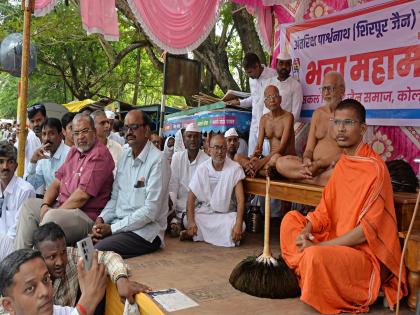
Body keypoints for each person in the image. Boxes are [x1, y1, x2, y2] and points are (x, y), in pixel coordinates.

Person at [280, 99, 407, 314]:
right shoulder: (344, 163)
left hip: (360, 256)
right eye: (336, 122)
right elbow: (324, 211)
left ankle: (309, 268)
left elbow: (366, 233)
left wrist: (320, 247)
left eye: (348, 122)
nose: (340, 128)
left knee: (314, 256)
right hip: (332, 242)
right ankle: (312, 268)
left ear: (363, 128)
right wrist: (306, 230)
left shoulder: (375, 169)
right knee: (290, 220)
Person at [15, 113, 114, 249]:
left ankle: (36, 265)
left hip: (84, 216)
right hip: (62, 207)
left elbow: (81, 197)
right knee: (29, 206)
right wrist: (45, 204)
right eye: (76, 133)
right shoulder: (74, 151)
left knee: (51, 220)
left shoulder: (99, 154)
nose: (80, 137)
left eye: (85, 131)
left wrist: (54, 211)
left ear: (94, 132)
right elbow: (56, 183)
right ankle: (20, 261)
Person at [91, 110, 170, 258]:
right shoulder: (124, 156)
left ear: (146, 130)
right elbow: (115, 198)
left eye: (133, 127)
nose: (128, 132)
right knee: (86, 244)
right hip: (120, 225)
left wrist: (112, 228)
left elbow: (150, 212)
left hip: (145, 232)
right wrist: (101, 219)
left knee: (97, 252)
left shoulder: (158, 161)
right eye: (125, 128)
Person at [33, 223, 150, 309]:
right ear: (38, 256)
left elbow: (108, 257)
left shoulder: (70, 255)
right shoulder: (30, 283)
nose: (60, 261)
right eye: (52, 257)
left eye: (62, 252)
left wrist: (121, 279)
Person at [275, 71, 345, 185]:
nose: (326, 93)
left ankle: (308, 179)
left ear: (341, 90)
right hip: (312, 167)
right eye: (323, 89)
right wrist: (307, 160)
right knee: (280, 163)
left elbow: (348, 153)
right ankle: (316, 179)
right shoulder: (317, 114)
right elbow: (309, 149)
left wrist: (321, 164)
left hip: (331, 166)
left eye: (330, 88)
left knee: (341, 171)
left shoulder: (347, 115)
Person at [0, 248, 107, 315]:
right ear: (9, 305)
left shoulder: (58, 311)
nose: (45, 292)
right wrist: (87, 303)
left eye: (46, 279)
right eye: (30, 288)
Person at [184, 134, 245, 247]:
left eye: (222, 148)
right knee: (187, 220)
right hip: (205, 213)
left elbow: (241, 200)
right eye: (216, 147)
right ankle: (197, 232)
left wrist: (238, 224)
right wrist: (191, 222)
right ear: (209, 150)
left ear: (226, 149)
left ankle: (196, 235)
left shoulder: (235, 168)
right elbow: (191, 197)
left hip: (225, 214)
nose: (220, 151)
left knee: (240, 225)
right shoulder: (202, 168)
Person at [226, 53, 277, 156]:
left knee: (266, 157)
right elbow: (254, 99)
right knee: (252, 155)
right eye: (247, 73)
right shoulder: (251, 79)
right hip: (255, 122)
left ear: (257, 66)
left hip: (270, 122)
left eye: (250, 72)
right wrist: (239, 102)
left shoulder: (273, 75)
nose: (249, 75)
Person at [168, 123, 209, 236]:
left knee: (193, 219)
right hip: (177, 205)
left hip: (197, 208)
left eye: (196, 136)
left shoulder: (207, 160)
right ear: (184, 140)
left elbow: (205, 193)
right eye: (189, 136)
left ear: (200, 139)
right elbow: (173, 186)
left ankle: (179, 224)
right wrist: (170, 204)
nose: (192, 139)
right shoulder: (177, 157)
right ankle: (177, 222)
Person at [247, 85, 295, 177]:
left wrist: (261, 162)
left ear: (280, 99)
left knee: (275, 158)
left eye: (275, 96)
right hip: (269, 160)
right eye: (268, 98)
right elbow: (259, 146)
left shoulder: (288, 117)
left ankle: (263, 170)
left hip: (284, 159)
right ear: (265, 103)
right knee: (238, 158)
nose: (272, 100)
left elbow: (282, 147)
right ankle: (257, 169)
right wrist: (254, 158)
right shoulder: (264, 119)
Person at [0, 141, 35, 261]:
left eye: (9, 162)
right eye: (1, 162)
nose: (5, 167)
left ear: (16, 165)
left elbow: (16, 232)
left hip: (17, 251)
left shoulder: (25, 190)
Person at [26, 118, 70, 193]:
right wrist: (33, 161)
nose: (47, 138)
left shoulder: (69, 155)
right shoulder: (43, 157)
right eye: (44, 134)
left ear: (60, 136)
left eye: (52, 133)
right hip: (49, 202)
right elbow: (31, 186)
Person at [263, 51, 303, 122]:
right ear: (276, 64)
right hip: (266, 126)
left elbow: (295, 115)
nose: (284, 66)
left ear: (291, 65)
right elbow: (261, 106)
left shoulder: (296, 85)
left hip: (284, 128)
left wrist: (282, 127)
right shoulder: (268, 82)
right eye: (281, 63)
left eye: (287, 64)